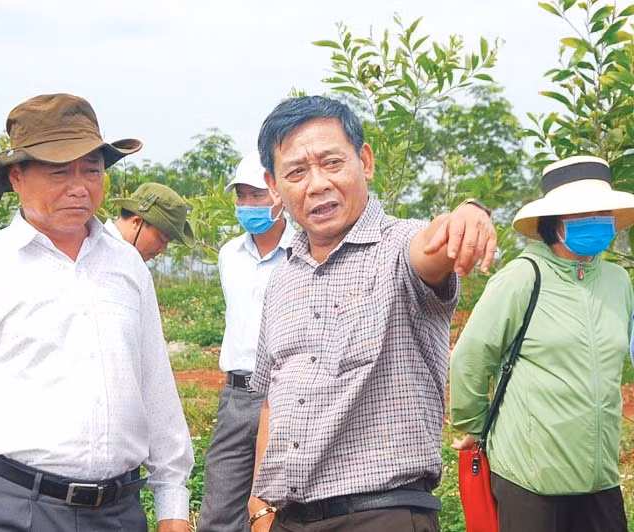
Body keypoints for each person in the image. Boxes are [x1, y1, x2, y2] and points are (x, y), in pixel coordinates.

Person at [0, 93, 194, 532]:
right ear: (17, 177)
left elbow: (156, 390)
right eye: (59, 171)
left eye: (91, 170)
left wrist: (174, 506)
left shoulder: (126, 267)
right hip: (21, 509)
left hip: (121, 512)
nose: (80, 186)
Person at [245, 95, 497, 532]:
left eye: (332, 163)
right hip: (288, 519)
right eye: (297, 172)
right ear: (274, 186)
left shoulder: (399, 246)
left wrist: (466, 214)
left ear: (365, 161)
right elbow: (274, 394)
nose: (318, 183)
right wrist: (260, 508)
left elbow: (431, 246)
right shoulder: (282, 279)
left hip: (383, 514)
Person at [450, 155, 634, 532]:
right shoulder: (522, 277)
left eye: (603, 212)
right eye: (584, 212)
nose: (597, 220)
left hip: (600, 476)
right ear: (555, 222)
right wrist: (475, 424)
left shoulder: (617, 281)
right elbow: (471, 355)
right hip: (531, 476)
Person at [197, 151, 295, 532]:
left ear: (278, 194)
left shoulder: (302, 252)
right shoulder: (229, 256)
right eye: (241, 196)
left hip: (288, 394)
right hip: (238, 394)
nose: (247, 205)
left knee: (282, 507)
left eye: (256, 195)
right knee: (220, 507)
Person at [105, 182, 195, 261]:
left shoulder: (132, 264)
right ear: (137, 222)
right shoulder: (100, 251)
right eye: (163, 239)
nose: (163, 250)